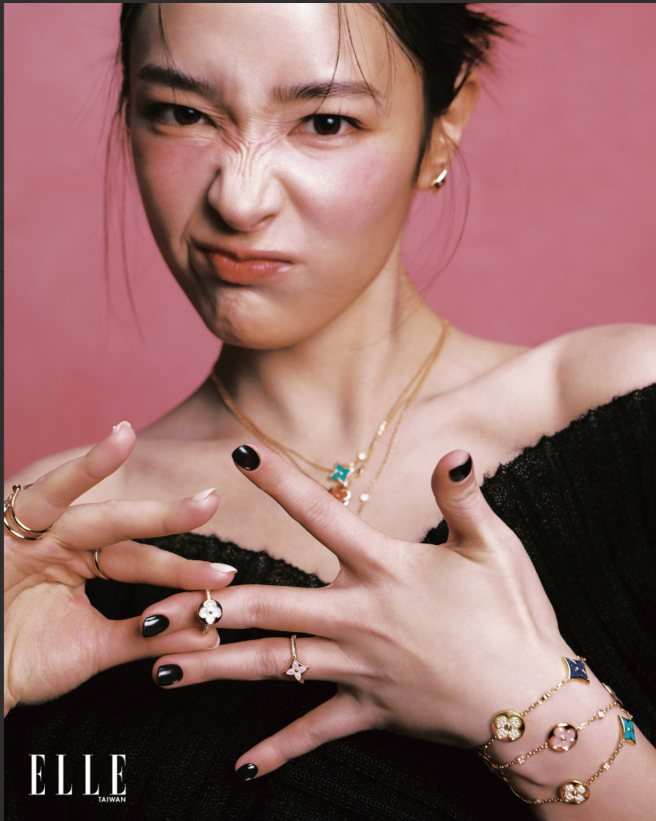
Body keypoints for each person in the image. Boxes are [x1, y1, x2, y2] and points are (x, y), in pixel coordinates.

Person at [4, 4, 656, 819]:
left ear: (443, 125)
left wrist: (523, 698)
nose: (239, 199)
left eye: (325, 122)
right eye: (181, 112)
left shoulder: (629, 408)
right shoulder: (57, 537)